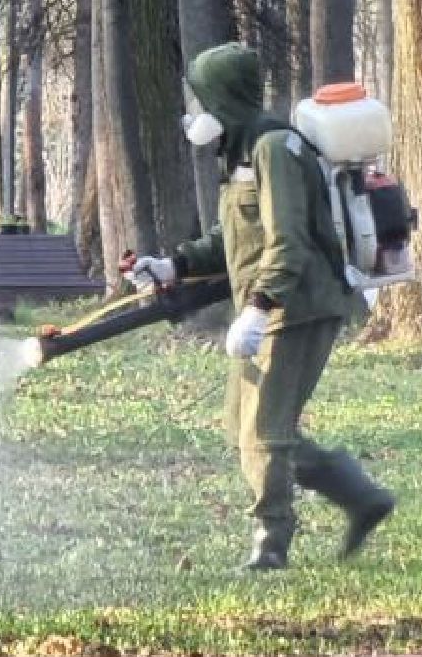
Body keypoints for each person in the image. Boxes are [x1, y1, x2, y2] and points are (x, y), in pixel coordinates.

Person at [126, 42, 395, 571]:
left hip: (298, 306)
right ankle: (361, 497)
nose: (195, 113)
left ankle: (270, 547)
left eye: (202, 100)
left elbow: (288, 241)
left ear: (223, 98)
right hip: (271, 305)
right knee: (243, 430)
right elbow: (234, 239)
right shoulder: (242, 152)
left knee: (264, 435)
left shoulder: (274, 149)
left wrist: (258, 307)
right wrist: (172, 265)